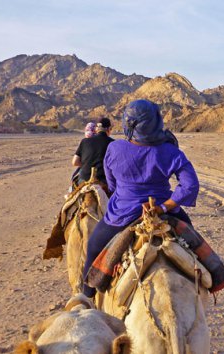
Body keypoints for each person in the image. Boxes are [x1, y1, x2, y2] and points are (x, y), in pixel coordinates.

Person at [81, 99, 197, 298]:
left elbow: (113, 183)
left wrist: (126, 193)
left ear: (128, 124)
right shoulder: (172, 152)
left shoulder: (115, 149)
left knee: (93, 246)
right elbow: (190, 186)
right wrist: (163, 207)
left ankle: (86, 294)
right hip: (164, 212)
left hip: (122, 215)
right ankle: (213, 278)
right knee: (195, 246)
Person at [72, 118, 114, 184]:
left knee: (73, 185)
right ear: (108, 129)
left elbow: (75, 162)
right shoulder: (113, 143)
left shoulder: (84, 141)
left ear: (97, 129)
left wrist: (87, 164)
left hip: (84, 179)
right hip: (104, 180)